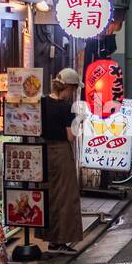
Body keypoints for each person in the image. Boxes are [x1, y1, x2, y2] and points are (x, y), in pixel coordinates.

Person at [39, 68, 84, 253]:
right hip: (60, 152)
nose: (73, 93)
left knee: (48, 196)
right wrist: (79, 121)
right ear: (68, 88)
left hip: (42, 152)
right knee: (65, 197)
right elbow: (70, 136)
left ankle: (50, 239)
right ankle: (61, 241)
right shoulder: (65, 107)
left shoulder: (41, 103)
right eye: (73, 90)